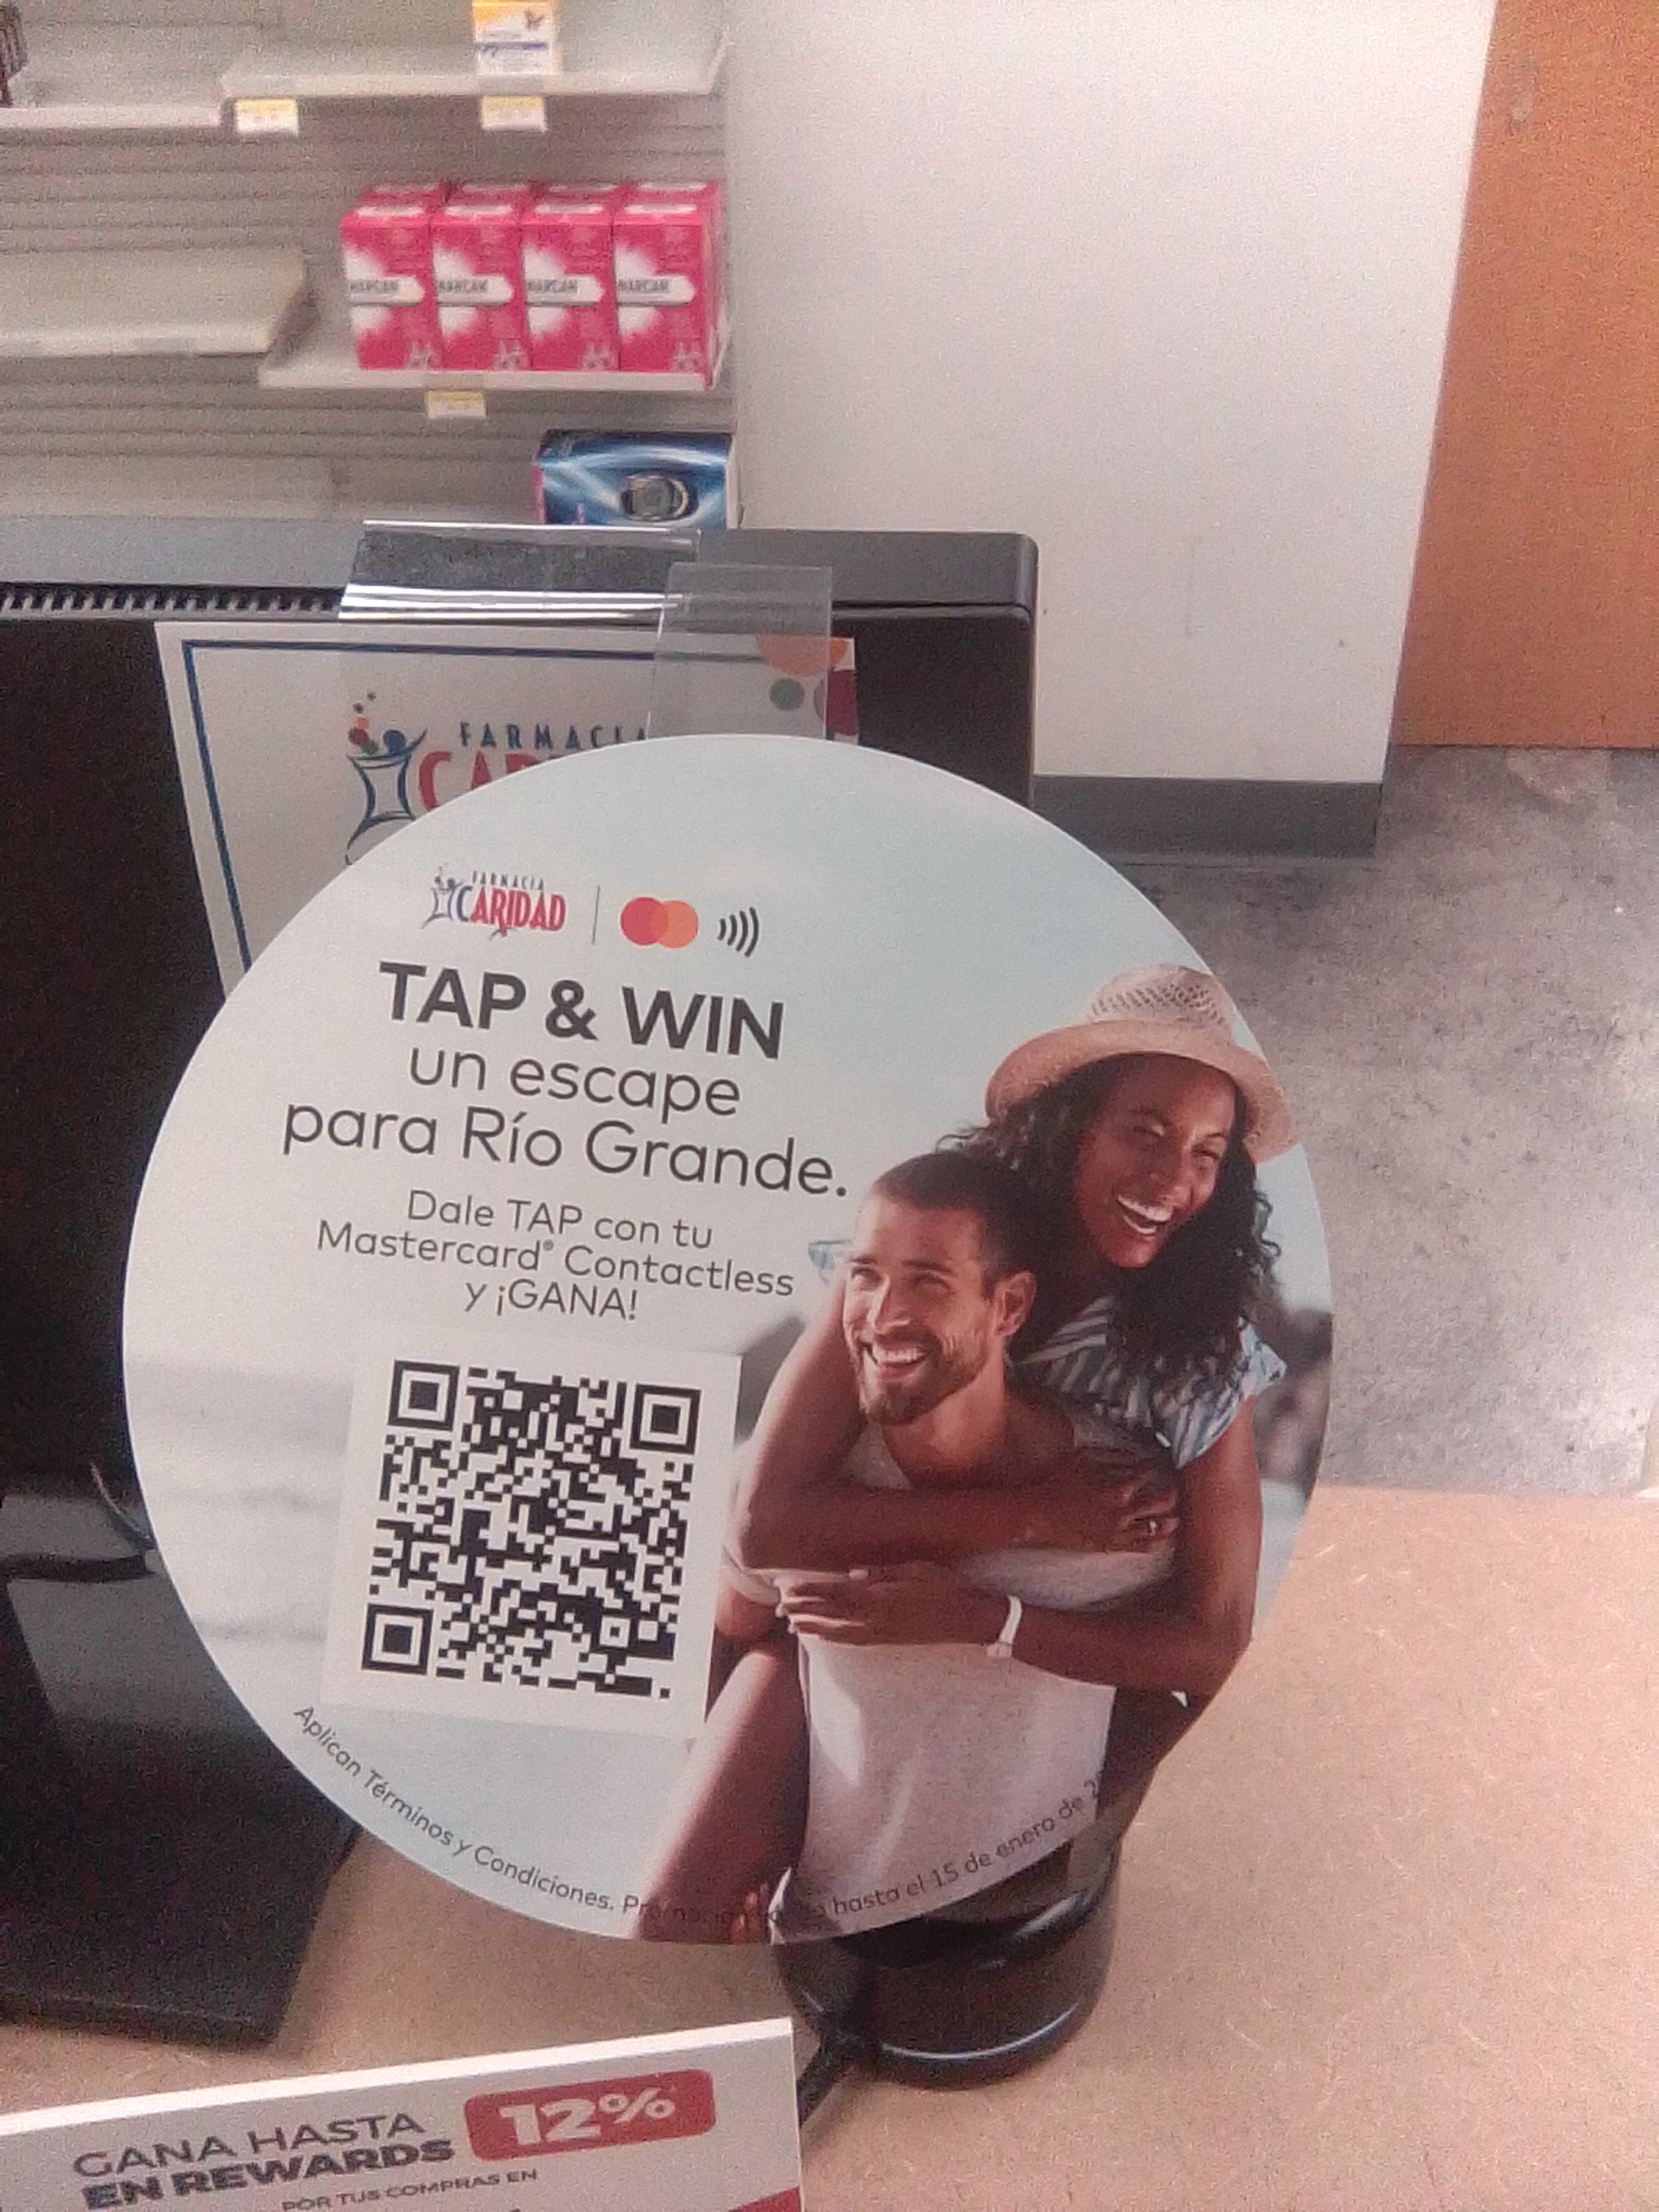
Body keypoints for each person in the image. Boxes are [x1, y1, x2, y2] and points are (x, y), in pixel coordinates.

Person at [637, 962, 1295, 1940]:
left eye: (1207, 1154)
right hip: (826, 1641)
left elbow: (1213, 1645)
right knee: (677, 1891)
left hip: (1035, 1694)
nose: (1173, 1182)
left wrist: (988, 1618)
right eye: (1146, 1133)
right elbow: (764, 1522)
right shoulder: (930, 1252)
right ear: (1074, 1122)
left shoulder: (1200, 1357)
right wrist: (1037, 1515)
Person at [633, 1148, 1175, 1942]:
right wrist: (720, 1854)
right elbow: (725, 1640)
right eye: (865, 1276)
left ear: (1009, 1305)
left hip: (1007, 1935)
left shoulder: (1119, 1505)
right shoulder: (789, 1491)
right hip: (814, 1937)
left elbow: (1184, 1681)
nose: (884, 1313)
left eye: (927, 1281)